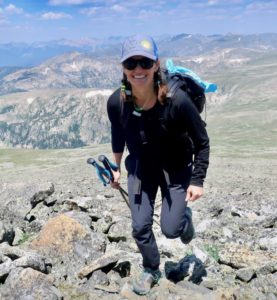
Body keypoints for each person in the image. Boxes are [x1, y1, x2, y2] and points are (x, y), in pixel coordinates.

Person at [107, 34, 209, 295]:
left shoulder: (177, 102)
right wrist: (116, 167)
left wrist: (197, 181)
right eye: (131, 64)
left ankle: (183, 218)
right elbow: (118, 134)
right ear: (123, 68)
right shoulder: (117, 102)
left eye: (145, 63)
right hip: (141, 168)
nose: (138, 69)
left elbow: (201, 141)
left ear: (155, 65)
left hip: (175, 169)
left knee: (170, 230)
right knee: (139, 228)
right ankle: (151, 268)